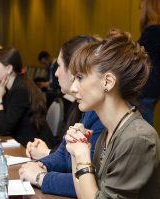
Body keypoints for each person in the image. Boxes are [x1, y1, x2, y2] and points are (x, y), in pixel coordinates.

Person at [65, 29, 160, 199]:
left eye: (80, 77)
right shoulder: (110, 132)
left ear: (107, 82)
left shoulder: (137, 139)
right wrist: (75, 151)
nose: (73, 89)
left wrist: (81, 155)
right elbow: (86, 194)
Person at [19, 35, 104, 198]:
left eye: (59, 66)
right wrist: (41, 165)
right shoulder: (87, 109)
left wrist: (40, 177)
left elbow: (90, 182)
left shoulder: (101, 116)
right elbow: (65, 155)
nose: (56, 73)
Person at [0, 48, 56, 147]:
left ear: (8, 69)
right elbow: (4, 119)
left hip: (35, 148)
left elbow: (4, 128)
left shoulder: (19, 89)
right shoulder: (10, 87)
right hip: (23, 144)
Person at [138, 0, 160, 125]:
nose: (140, 7)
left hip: (146, 88)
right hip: (153, 89)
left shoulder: (153, 31)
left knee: (142, 126)